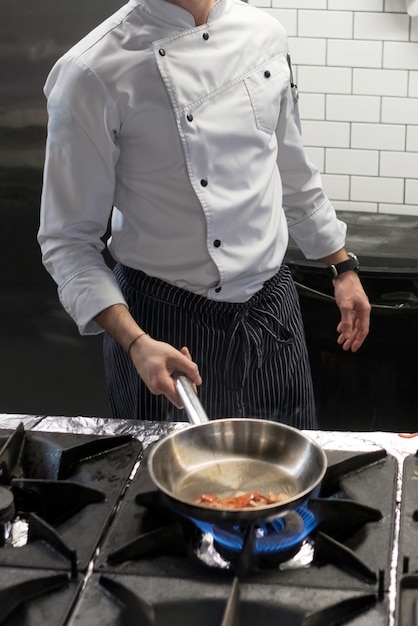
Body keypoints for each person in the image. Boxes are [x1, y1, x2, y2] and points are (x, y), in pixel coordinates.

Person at [38, 0, 371, 428]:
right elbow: (67, 242)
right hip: (163, 328)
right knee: (171, 489)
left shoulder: (263, 33)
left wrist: (341, 267)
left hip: (271, 313)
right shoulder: (91, 72)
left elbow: (291, 169)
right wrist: (135, 341)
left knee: (287, 479)